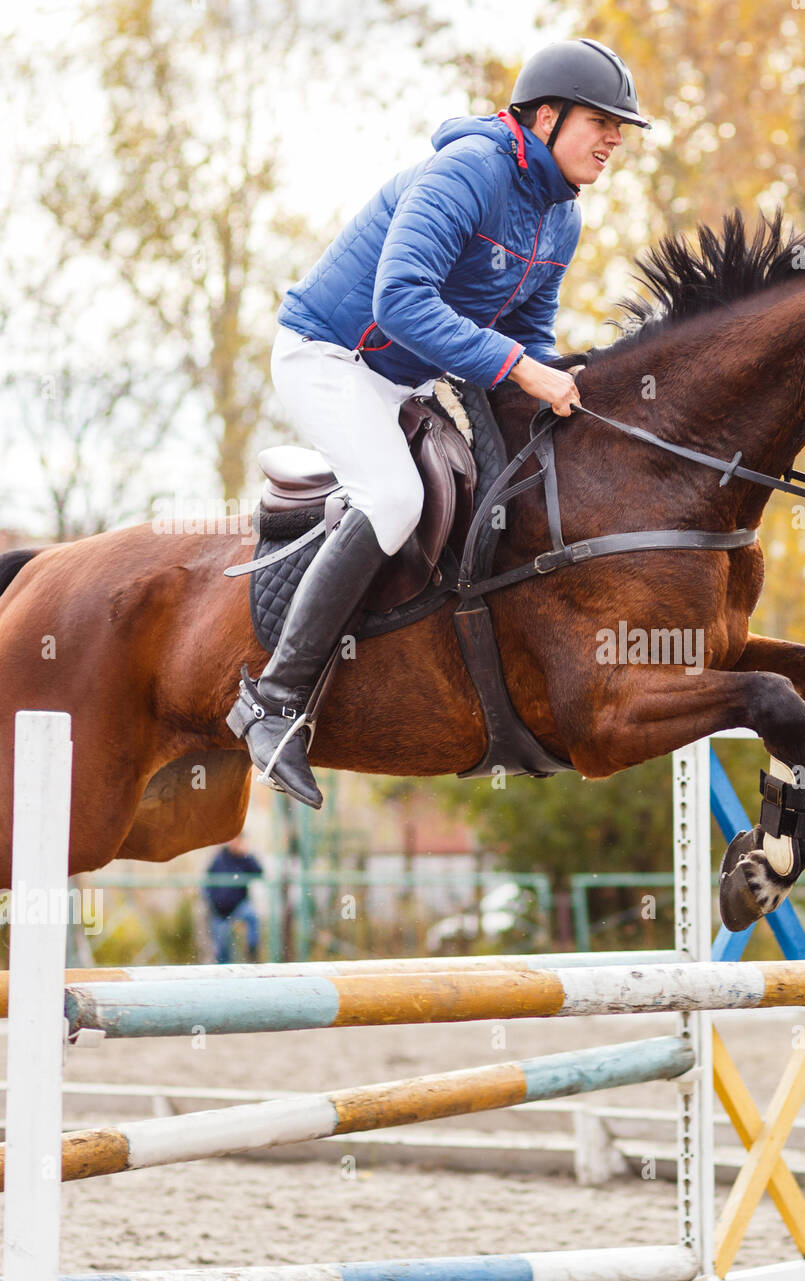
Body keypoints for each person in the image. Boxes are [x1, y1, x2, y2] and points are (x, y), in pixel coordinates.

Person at [227, 38, 649, 809]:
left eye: (622, 126)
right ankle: (274, 702)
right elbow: (401, 302)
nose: (616, 138)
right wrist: (522, 370)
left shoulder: (561, 220)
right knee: (392, 497)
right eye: (602, 121)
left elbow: (528, 333)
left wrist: (560, 385)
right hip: (329, 356)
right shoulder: (470, 169)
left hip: (403, 377)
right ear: (545, 117)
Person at [202, 836, 264, 965]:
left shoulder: (245, 859)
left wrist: (247, 855)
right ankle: (224, 969)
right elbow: (207, 881)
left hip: (238, 905)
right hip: (219, 910)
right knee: (222, 947)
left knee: (252, 916)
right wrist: (211, 901)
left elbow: (259, 872)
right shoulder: (219, 858)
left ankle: (252, 951)